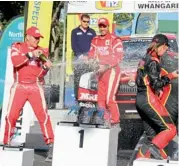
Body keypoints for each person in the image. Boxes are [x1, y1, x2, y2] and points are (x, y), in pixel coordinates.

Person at [3, 26, 54, 161]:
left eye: (39, 38)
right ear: (28, 37)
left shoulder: (43, 51)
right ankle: (7, 142)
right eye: (35, 37)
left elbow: (42, 74)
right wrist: (30, 55)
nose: (38, 40)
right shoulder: (17, 47)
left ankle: (51, 145)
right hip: (19, 85)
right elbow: (15, 62)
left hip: (35, 86)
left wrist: (45, 67)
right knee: (11, 115)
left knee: (43, 116)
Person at [135, 34, 178, 159]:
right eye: (165, 48)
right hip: (148, 99)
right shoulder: (154, 61)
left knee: (151, 138)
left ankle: (140, 161)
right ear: (162, 46)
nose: (165, 52)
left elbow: (140, 78)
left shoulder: (145, 57)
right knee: (170, 129)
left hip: (140, 99)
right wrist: (171, 76)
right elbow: (156, 83)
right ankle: (155, 149)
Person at [88, 18, 124, 128]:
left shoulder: (115, 39)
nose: (102, 28)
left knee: (109, 99)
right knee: (100, 100)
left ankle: (115, 122)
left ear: (108, 27)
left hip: (112, 71)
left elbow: (119, 57)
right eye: (100, 26)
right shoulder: (95, 40)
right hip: (101, 73)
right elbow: (92, 55)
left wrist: (106, 66)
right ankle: (105, 121)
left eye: (104, 26)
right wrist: (92, 63)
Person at [71, 14, 96, 102]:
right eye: (84, 21)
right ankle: (77, 99)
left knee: (90, 79)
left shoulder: (92, 32)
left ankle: (90, 98)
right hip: (79, 60)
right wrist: (82, 56)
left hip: (90, 61)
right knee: (78, 79)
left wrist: (90, 57)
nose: (86, 23)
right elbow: (74, 46)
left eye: (87, 22)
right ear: (81, 21)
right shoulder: (74, 31)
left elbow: (94, 45)